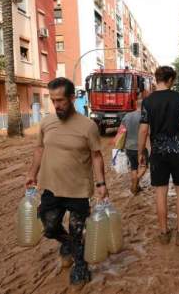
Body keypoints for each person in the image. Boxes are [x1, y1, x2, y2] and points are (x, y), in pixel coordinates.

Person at [25, 77, 108, 286]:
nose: (57, 105)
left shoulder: (88, 126)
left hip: (78, 189)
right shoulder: (46, 123)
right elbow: (39, 149)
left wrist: (101, 184)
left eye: (61, 100)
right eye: (53, 100)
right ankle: (68, 244)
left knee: (77, 230)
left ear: (72, 97)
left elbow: (97, 156)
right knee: (50, 227)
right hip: (51, 187)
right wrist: (32, 173)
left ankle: (80, 265)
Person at [138, 66, 179, 246]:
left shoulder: (147, 102)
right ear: (170, 80)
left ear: (156, 79)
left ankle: (163, 234)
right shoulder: (178, 98)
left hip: (158, 153)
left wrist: (141, 152)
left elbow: (144, 130)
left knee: (160, 193)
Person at [122, 97, 149, 195]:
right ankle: (135, 183)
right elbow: (147, 132)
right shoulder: (145, 116)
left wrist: (122, 146)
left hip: (129, 147)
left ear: (135, 105)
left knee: (133, 167)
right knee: (143, 167)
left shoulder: (127, 116)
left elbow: (122, 132)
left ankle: (136, 187)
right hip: (140, 148)